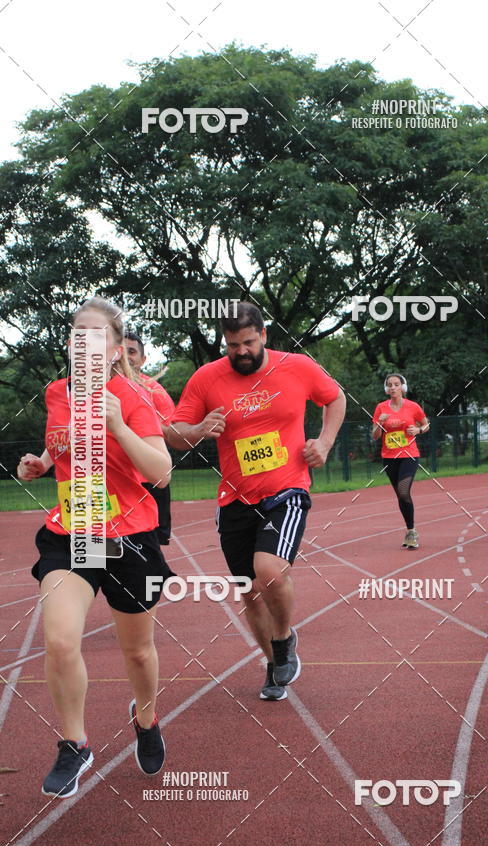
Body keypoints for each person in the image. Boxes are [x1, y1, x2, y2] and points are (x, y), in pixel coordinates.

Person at [18, 296, 172, 797]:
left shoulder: (134, 394)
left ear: (112, 349)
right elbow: (61, 439)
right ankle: (74, 742)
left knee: (139, 653)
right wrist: (42, 461)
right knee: (60, 639)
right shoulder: (56, 392)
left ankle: (146, 721)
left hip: (130, 538)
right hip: (71, 535)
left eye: (96, 335)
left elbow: (162, 471)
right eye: (77, 333)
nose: (85, 342)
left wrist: (119, 425)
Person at [166, 302, 346, 701]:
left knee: (268, 572)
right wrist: (197, 429)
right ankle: (273, 663)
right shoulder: (207, 378)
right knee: (248, 589)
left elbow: (335, 399)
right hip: (235, 498)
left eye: (248, 342)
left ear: (264, 335)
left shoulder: (296, 366)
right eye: (232, 345)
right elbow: (174, 432)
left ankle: (283, 639)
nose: (241, 351)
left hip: (287, 488)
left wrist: (326, 442)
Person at [124, 331, 175, 545]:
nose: (126, 356)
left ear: (143, 360)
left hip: (149, 479)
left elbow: (170, 431)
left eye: (132, 351)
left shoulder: (155, 391)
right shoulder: (96, 389)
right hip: (111, 480)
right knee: (101, 545)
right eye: (121, 350)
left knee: (151, 543)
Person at [372, 373, 429, 550]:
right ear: (386, 389)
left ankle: (412, 532)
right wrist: (379, 425)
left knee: (404, 491)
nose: (393, 387)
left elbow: (426, 424)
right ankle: (410, 529)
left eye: (396, 384)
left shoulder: (413, 406)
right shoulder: (381, 408)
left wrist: (418, 430)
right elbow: (375, 436)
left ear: (402, 387)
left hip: (409, 455)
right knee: (400, 495)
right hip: (389, 457)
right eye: (389, 385)